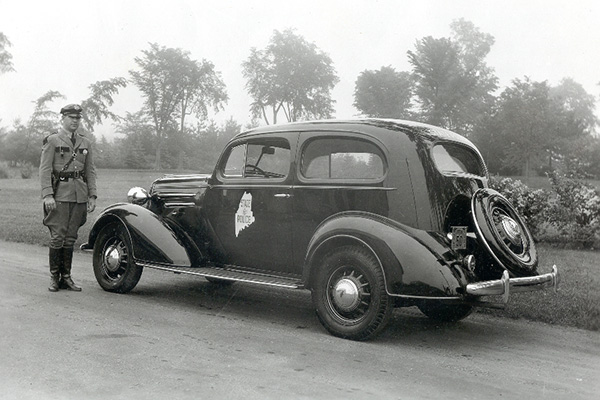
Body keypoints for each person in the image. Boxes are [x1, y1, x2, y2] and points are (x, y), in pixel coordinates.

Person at [39, 104, 97, 292]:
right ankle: (54, 277)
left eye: (77, 118)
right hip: (60, 195)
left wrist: (92, 195)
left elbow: (90, 170)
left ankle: (67, 277)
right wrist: (48, 194)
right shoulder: (53, 141)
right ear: (62, 118)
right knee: (58, 236)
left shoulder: (85, 143)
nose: (75, 121)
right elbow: (45, 170)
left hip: (79, 195)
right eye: (71, 117)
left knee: (71, 238)